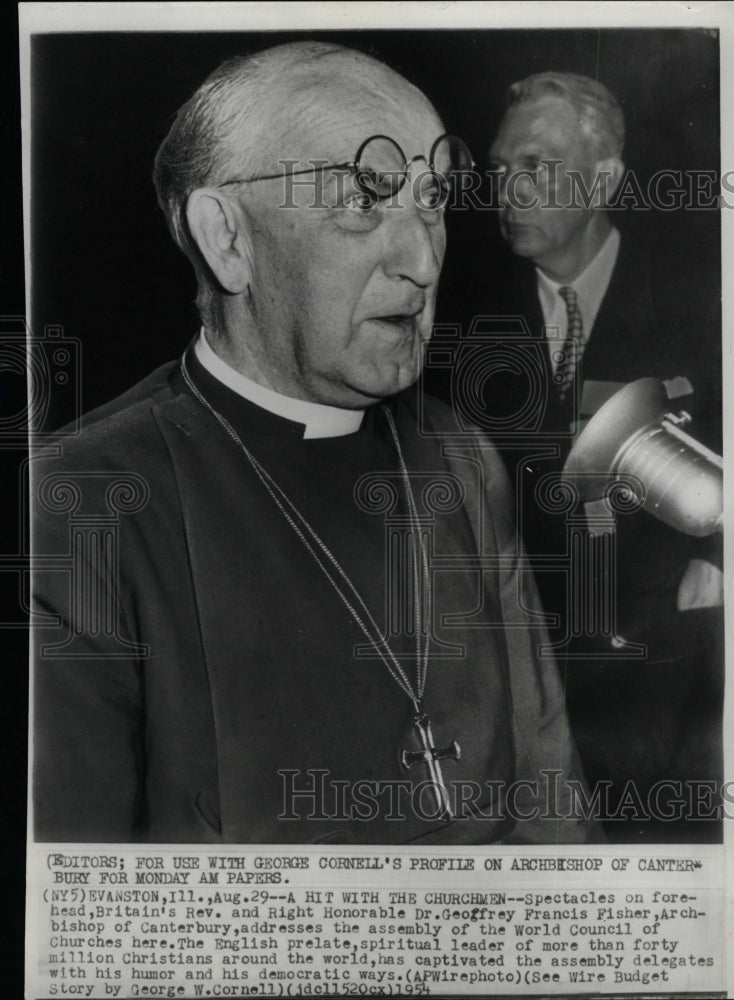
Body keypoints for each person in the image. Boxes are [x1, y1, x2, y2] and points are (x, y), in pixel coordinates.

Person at [31, 43, 598, 845]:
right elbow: (73, 922)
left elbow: (553, 807)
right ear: (228, 239)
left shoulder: (461, 457)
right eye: (365, 199)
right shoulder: (78, 507)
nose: (423, 257)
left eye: (431, 198)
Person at [469, 72, 723, 838]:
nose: (506, 189)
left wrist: (721, 549)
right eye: (498, 168)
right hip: (513, 676)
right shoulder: (461, 309)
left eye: (534, 165)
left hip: (665, 672)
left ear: (604, 176)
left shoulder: (706, 291)